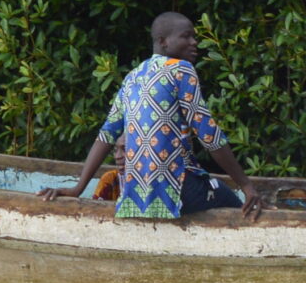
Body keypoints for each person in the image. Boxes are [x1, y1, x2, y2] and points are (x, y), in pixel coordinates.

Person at [44, 12, 257, 218]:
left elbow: (107, 135)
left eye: (194, 37)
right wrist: (246, 186)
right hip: (177, 191)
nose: (194, 42)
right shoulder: (181, 70)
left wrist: (78, 188)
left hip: (136, 195)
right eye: (186, 36)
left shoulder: (133, 77)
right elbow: (209, 136)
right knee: (231, 202)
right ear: (163, 41)